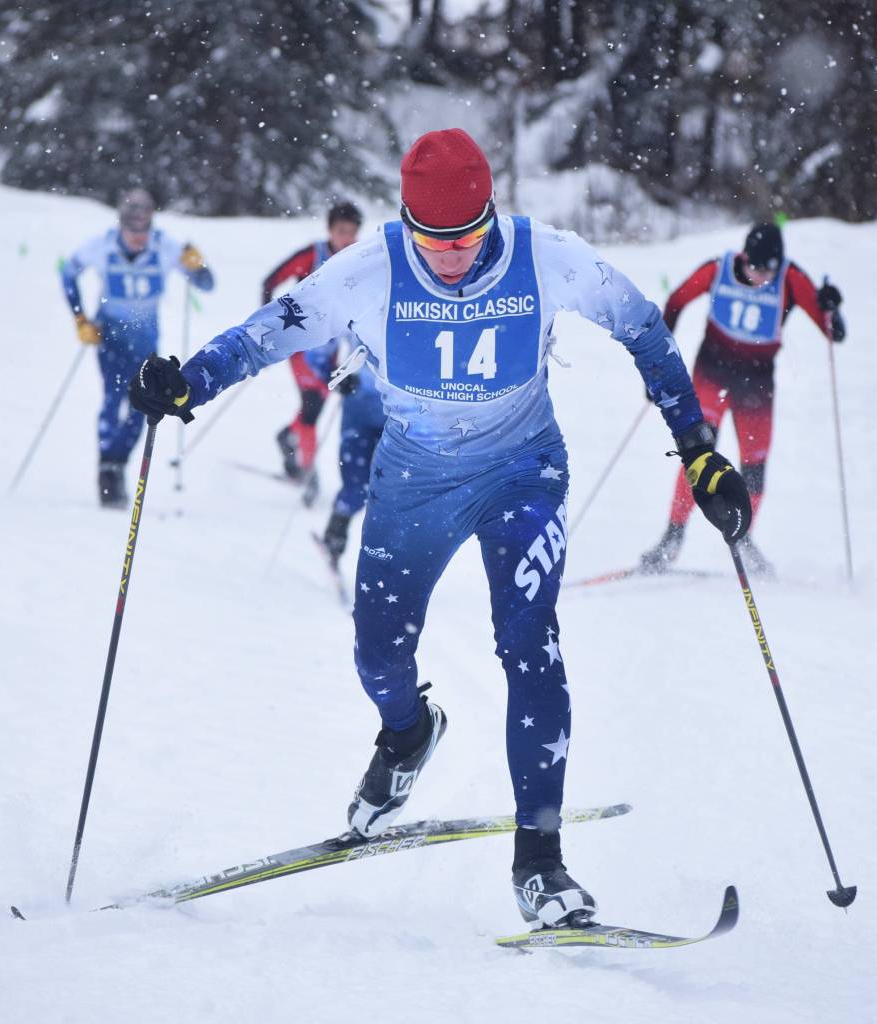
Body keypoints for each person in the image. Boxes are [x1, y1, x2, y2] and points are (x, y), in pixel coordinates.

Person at [128, 129, 751, 926]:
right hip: (414, 482)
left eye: (467, 238)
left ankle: (541, 860)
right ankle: (408, 732)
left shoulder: (544, 255)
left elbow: (643, 328)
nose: (452, 257)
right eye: (433, 241)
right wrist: (192, 380)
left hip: (524, 472)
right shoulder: (371, 267)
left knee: (531, 642)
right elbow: (277, 325)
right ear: (406, 225)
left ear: (492, 215)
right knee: (377, 652)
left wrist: (697, 451)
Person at [640, 222, 845, 574]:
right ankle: (671, 538)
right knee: (697, 457)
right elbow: (675, 302)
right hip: (711, 374)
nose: (758, 275)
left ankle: (742, 535)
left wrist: (831, 307)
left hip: (756, 387)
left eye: (767, 269)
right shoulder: (718, 269)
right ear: (744, 256)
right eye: (753, 265)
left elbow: (833, 332)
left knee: (754, 468)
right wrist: (658, 363)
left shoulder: (791, 279)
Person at [61, 187, 215, 506]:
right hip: (109, 337)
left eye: (142, 231)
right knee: (112, 398)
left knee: (141, 405)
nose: (137, 239)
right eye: (131, 231)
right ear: (121, 225)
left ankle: (117, 465)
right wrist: (80, 318)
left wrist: (197, 266)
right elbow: (68, 273)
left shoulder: (164, 246)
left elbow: (206, 284)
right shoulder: (102, 246)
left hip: (146, 344)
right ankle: (107, 466)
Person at [261, 202, 363, 489]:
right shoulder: (312, 255)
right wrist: (269, 322)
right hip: (301, 346)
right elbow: (270, 281)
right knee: (313, 407)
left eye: (352, 233)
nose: (347, 239)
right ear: (329, 230)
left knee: (315, 405)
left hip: (330, 350)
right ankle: (308, 473)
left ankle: (288, 436)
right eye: (341, 231)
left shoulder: (356, 260)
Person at [304, 341, 387, 570]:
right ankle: (334, 537)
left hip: (403, 416)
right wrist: (332, 373)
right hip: (359, 407)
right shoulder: (361, 305)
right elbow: (321, 337)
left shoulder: (420, 308)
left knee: (395, 490)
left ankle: (391, 563)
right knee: (355, 484)